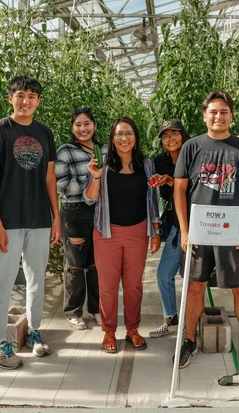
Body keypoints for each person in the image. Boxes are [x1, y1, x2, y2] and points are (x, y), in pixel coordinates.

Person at [173, 90, 239, 371]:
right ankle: (188, 340)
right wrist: (185, 230)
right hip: (200, 233)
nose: (218, 116)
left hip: (233, 233)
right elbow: (179, 190)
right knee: (194, 286)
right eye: (213, 112)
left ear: (231, 116)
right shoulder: (192, 147)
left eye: (224, 112)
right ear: (204, 116)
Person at [0, 76, 61, 369]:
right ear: (10, 98)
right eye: (20, 95)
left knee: (37, 278)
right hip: (9, 221)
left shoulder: (45, 133)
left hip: (39, 219)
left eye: (31, 96)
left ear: (38, 101)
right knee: (2, 283)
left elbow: (50, 178)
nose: (25, 101)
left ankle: (35, 331)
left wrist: (56, 217)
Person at [84, 117, 161, 354]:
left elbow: (153, 200)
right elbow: (89, 198)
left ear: (136, 138)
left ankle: (132, 329)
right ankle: (108, 330)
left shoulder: (146, 164)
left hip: (138, 231)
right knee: (107, 286)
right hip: (107, 232)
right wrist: (95, 176)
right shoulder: (102, 164)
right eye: (119, 134)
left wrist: (155, 230)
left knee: (133, 285)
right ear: (112, 138)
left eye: (129, 134)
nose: (124, 139)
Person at [55, 108, 106, 330]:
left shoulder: (104, 149)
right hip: (74, 210)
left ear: (94, 125)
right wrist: (92, 180)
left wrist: (97, 183)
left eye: (87, 123)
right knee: (75, 265)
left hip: (100, 211)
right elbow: (62, 184)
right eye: (78, 124)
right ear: (72, 127)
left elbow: (111, 180)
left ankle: (96, 309)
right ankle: (73, 311)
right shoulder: (65, 151)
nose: (83, 128)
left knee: (98, 263)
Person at [148, 119, 190, 338]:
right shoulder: (160, 160)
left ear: (183, 135)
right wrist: (161, 182)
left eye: (174, 134)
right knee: (164, 273)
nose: (170, 139)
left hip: (197, 222)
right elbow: (166, 197)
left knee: (194, 276)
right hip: (176, 222)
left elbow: (200, 189)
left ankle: (190, 325)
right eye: (165, 136)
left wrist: (174, 182)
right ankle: (171, 318)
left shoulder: (194, 154)